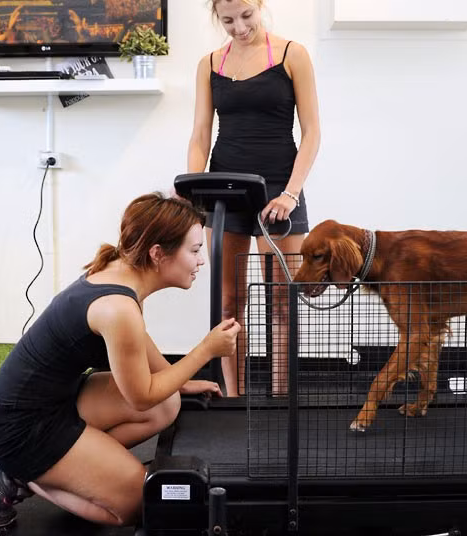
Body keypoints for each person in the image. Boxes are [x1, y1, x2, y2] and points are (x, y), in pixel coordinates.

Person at [0, 192, 241, 527]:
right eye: (194, 250)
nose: (201, 260)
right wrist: (206, 350)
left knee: (168, 403)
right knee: (135, 503)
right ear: (158, 254)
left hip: (57, 401)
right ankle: (19, 474)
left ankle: (74, 465)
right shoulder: (118, 308)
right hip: (20, 428)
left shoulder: (122, 273)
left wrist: (182, 379)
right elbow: (141, 395)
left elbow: (140, 346)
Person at [186, 0, 321, 397]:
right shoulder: (209, 64)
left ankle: (281, 401)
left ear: (260, 6)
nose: (239, 26)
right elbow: (199, 135)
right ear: (217, 17)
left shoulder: (291, 54)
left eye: (246, 16)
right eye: (228, 20)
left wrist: (291, 194)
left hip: (280, 189)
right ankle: (233, 399)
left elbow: (312, 132)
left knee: (282, 303)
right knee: (229, 304)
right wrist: (194, 194)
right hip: (224, 193)